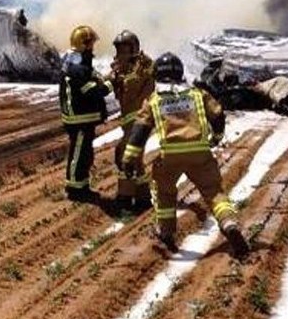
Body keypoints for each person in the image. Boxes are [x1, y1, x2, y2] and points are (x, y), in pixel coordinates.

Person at [122, 52, 249, 258]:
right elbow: (217, 115)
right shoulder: (198, 94)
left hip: (170, 156)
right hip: (200, 153)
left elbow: (140, 131)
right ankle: (228, 222)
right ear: (180, 73)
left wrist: (129, 158)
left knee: (165, 193)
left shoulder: (154, 100)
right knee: (214, 192)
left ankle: (166, 232)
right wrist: (216, 136)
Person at [59, 25, 112, 202]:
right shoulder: (77, 67)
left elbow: (92, 77)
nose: (93, 49)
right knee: (79, 154)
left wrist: (104, 78)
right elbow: (92, 91)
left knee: (85, 153)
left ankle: (82, 185)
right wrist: (109, 84)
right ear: (84, 44)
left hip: (82, 118)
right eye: (91, 45)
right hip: (79, 119)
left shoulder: (76, 62)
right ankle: (74, 189)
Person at [108, 30, 155, 213]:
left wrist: (118, 77)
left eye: (124, 50)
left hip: (140, 121)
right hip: (130, 122)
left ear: (134, 49)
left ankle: (125, 198)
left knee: (124, 155)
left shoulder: (143, 66)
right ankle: (143, 197)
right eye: (118, 50)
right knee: (135, 160)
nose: (120, 54)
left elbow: (133, 87)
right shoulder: (123, 68)